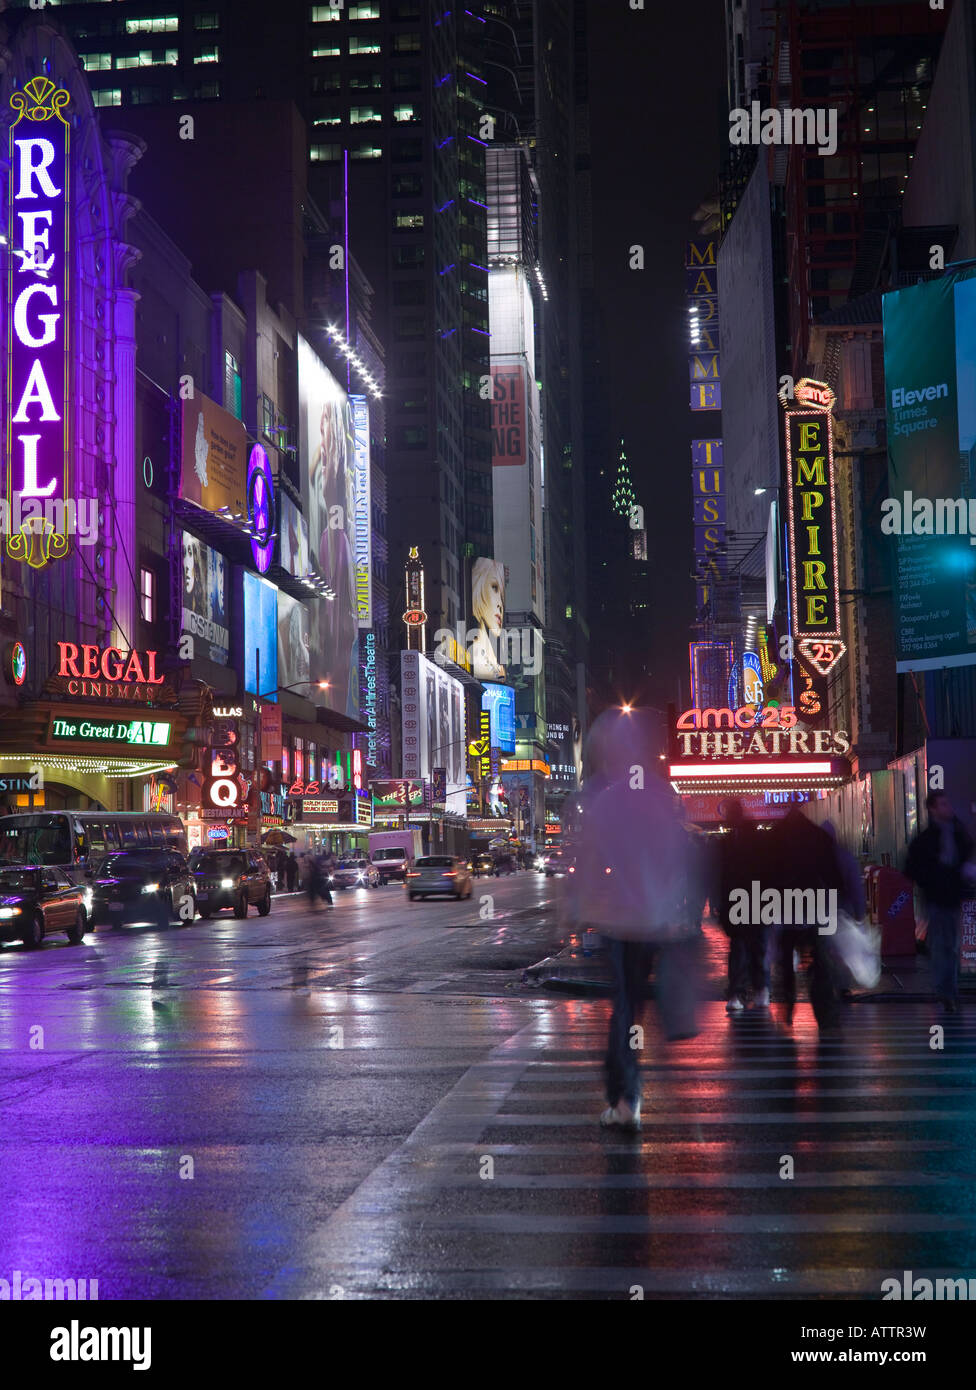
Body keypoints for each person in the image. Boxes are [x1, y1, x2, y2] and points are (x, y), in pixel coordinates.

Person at [568, 707, 703, 1132]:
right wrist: (682, 912)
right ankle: (634, 1088)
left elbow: (588, 863)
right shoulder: (663, 796)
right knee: (644, 1005)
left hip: (623, 923)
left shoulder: (606, 801)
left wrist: (576, 911)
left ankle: (627, 1099)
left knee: (626, 1009)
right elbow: (683, 859)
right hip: (659, 921)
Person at [767, 808, 845, 1033]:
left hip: (784, 907)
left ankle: (787, 1009)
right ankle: (825, 1015)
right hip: (815, 907)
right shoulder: (818, 836)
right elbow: (832, 873)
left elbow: (765, 874)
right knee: (820, 963)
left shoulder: (775, 838)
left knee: (785, 963)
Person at [906, 791, 974, 1014]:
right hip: (939, 897)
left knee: (948, 946)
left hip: (947, 896)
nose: (948, 808)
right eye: (943, 804)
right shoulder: (942, 836)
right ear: (933, 808)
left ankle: (946, 991)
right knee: (946, 946)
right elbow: (914, 867)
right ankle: (947, 991)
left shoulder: (950, 833)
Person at [716, 798, 769, 1013]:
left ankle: (738, 992)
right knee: (756, 946)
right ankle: (759, 989)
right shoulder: (756, 838)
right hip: (756, 899)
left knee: (740, 948)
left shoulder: (730, 841)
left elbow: (723, 876)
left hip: (739, 900)